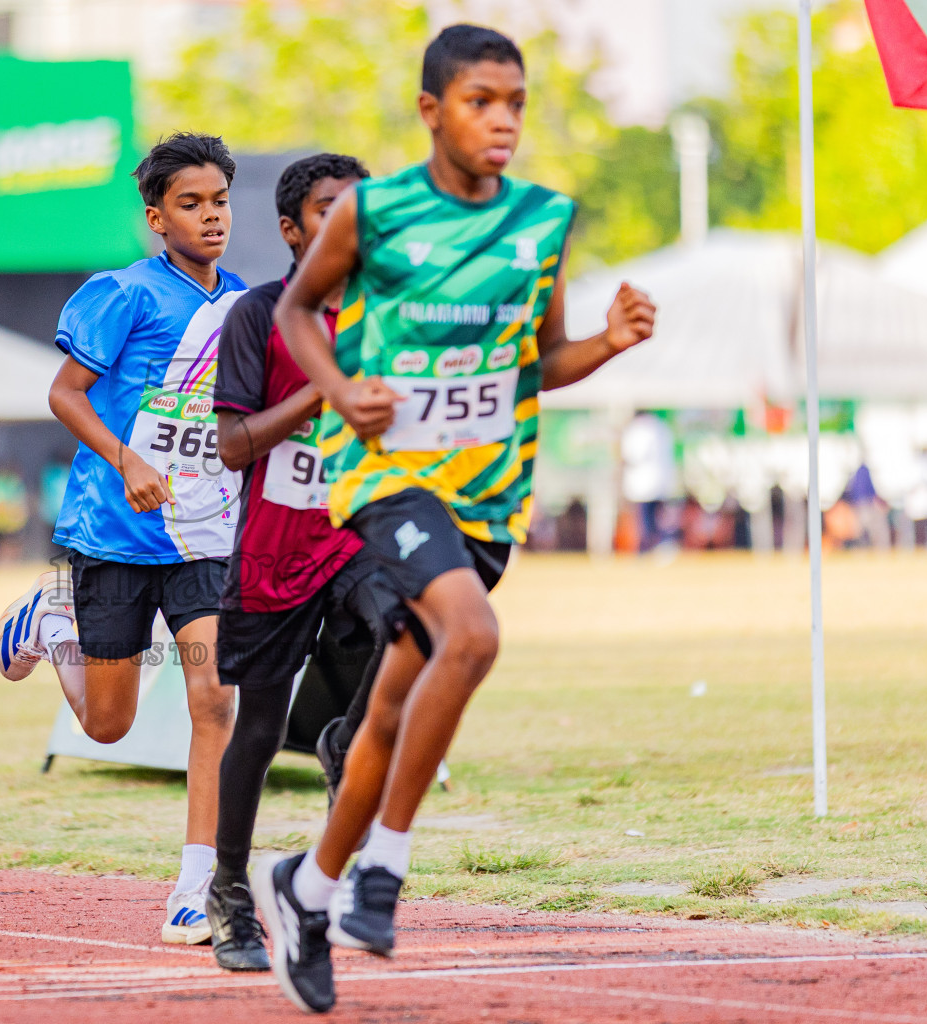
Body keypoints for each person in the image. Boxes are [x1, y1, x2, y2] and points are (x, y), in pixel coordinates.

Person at [254, 25, 657, 1013]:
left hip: (487, 497)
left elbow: (541, 360)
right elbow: (296, 315)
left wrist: (606, 342)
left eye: (516, 101)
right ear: (432, 110)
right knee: (471, 636)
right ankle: (382, 866)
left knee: (394, 702)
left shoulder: (541, 223)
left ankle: (304, 888)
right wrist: (343, 389)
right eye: (482, 100)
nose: (504, 120)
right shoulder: (375, 214)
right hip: (388, 481)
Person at [0, 132, 246, 945]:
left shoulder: (243, 303)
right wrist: (125, 456)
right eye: (190, 205)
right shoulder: (122, 294)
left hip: (201, 540)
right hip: (114, 534)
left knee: (214, 699)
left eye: (220, 202)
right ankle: (48, 625)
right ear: (155, 216)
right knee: (109, 727)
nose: (210, 218)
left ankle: (194, 888)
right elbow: (65, 394)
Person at [205, 152, 402, 973]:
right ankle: (228, 891)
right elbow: (232, 444)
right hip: (275, 548)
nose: (349, 222)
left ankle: (345, 742)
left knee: (413, 628)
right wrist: (323, 391)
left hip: (356, 533)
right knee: (253, 726)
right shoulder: (260, 315)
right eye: (329, 209)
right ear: (292, 230)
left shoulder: (388, 312)